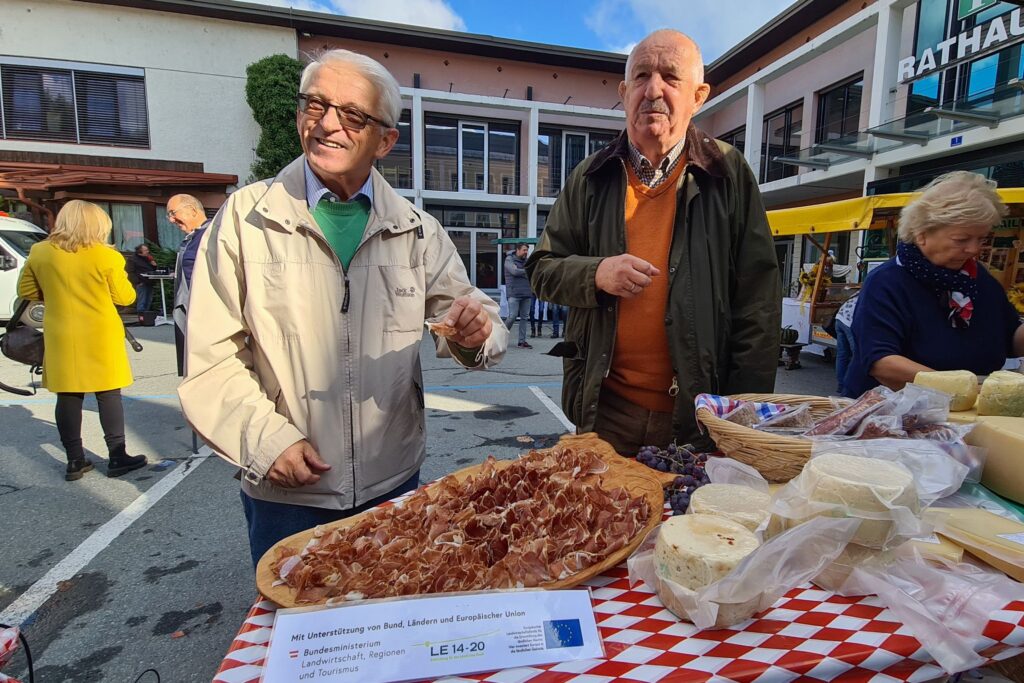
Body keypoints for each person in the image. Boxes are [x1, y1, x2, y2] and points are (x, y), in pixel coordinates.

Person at [178, 48, 507, 567]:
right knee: (298, 615)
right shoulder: (246, 218)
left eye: (353, 115)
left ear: (385, 141)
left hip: (393, 482)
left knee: (392, 607)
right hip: (289, 494)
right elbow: (210, 358)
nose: (327, 123)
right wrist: (265, 441)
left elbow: (475, 316)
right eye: (315, 104)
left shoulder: (417, 229)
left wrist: (475, 333)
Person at [526, 29, 781, 456]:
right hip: (606, 411)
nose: (653, 90)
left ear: (698, 96)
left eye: (671, 77)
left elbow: (758, 303)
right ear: (624, 92)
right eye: (642, 76)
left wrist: (741, 417)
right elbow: (542, 268)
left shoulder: (727, 172)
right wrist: (596, 273)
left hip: (700, 415)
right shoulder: (591, 176)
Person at [844, 171, 1024, 397]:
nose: (974, 249)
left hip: (968, 407)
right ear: (922, 235)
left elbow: (1011, 338)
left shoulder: (979, 279)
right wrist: (961, 388)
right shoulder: (887, 281)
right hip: (893, 410)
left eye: (982, 239)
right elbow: (882, 363)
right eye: (962, 239)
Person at [17, 200, 148, 481]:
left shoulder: (41, 252)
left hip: (61, 333)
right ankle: (117, 455)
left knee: (67, 395)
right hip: (100, 332)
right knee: (108, 394)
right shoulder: (106, 256)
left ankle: (75, 460)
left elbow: (26, 290)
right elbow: (125, 297)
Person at [166, 193, 209, 377]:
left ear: (192, 210)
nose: (171, 219)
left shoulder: (212, 234)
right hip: (190, 316)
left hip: (206, 317)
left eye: (173, 213)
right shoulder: (194, 236)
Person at [503, 243, 533, 348]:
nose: (526, 252)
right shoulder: (509, 260)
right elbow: (514, 271)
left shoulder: (527, 261)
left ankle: (522, 342)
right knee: (512, 317)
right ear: (518, 250)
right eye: (524, 250)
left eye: (527, 250)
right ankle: (501, 337)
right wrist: (526, 271)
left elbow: (533, 272)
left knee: (524, 318)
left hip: (527, 293)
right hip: (514, 293)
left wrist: (522, 271)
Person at [833, 293, 858, 396]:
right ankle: (851, 386)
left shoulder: (858, 293)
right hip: (850, 322)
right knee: (857, 355)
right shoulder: (872, 294)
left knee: (842, 355)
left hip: (839, 318)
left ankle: (841, 385)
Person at [126, 244, 157, 314]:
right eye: (145, 250)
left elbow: (152, 270)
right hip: (141, 282)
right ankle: (141, 315)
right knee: (142, 300)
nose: (148, 251)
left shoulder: (148, 258)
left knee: (149, 300)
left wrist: (154, 265)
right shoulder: (132, 259)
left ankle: (146, 315)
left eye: (147, 250)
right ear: (140, 252)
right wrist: (138, 282)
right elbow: (130, 272)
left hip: (150, 281)